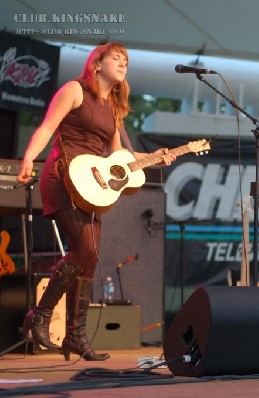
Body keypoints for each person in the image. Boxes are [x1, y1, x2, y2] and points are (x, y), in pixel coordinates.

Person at [16, 43, 176, 361]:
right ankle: (39, 315)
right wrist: (29, 158)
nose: (123, 63)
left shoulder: (113, 107)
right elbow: (47, 127)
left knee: (89, 258)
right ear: (97, 63)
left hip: (93, 185)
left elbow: (119, 157)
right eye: (116, 57)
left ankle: (75, 335)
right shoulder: (74, 90)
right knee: (86, 251)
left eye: (126, 60)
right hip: (63, 176)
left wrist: (155, 158)